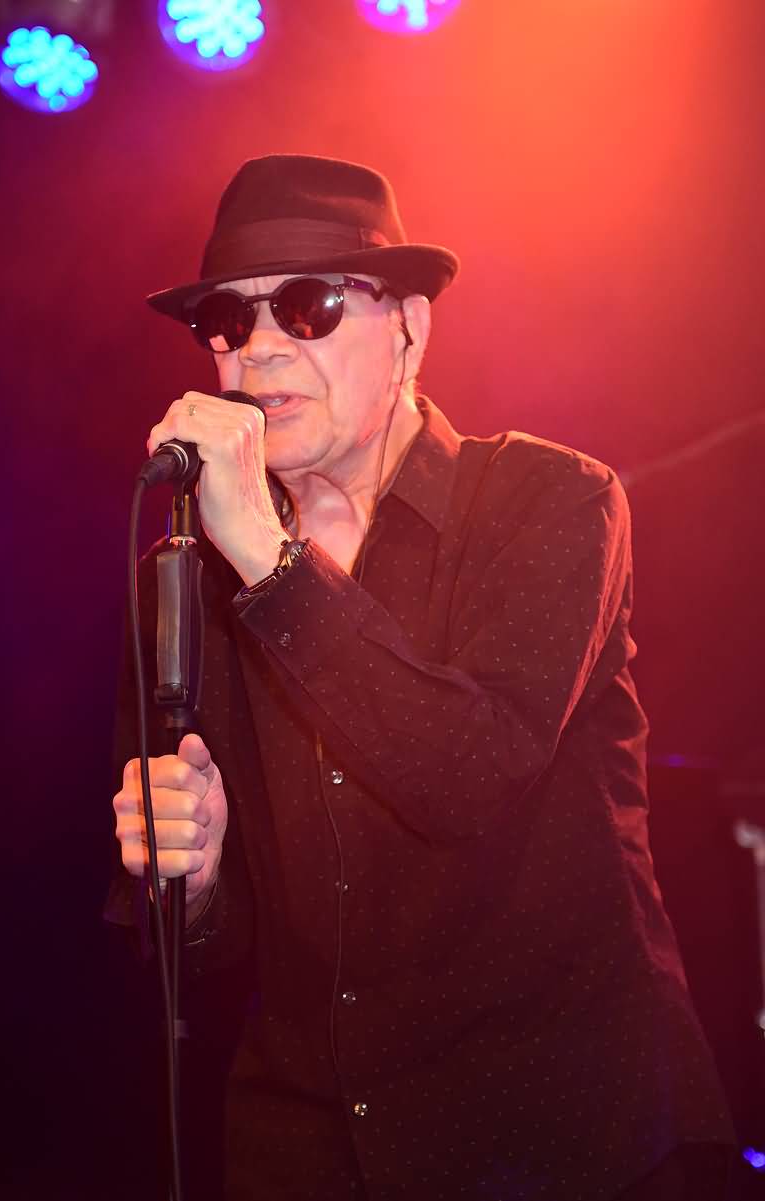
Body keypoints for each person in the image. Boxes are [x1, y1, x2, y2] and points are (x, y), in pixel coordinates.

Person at [107, 154, 734, 1200]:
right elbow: (200, 946)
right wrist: (196, 878)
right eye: (227, 318)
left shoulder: (547, 499)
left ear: (409, 327)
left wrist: (267, 554)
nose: (259, 347)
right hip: (311, 1149)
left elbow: (467, 775)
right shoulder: (185, 577)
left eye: (306, 305)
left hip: (563, 1138)